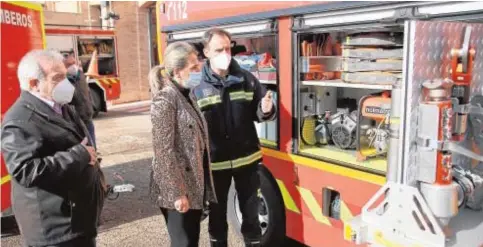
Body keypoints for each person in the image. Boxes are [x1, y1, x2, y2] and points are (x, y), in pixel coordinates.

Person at [1, 50, 105, 247]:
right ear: (34, 83)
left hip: (77, 221)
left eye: (65, 76)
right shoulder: (20, 120)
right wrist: (79, 156)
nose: (66, 83)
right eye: (57, 78)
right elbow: (25, 170)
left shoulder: (61, 105)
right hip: (55, 232)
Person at [193, 28, 276, 247]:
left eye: (228, 48)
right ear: (206, 52)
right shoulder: (197, 87)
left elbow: (259, 112)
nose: (225, 53)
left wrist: (266, 108)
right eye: (219, 49)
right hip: (215, 165)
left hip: (246, 161)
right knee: (217, 216)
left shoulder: (247, 79)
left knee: (251, 213)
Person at [148, 41, 217, 247]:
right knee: (184, 243)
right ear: (178, 72)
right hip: (177, 190)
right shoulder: (165, 99)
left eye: (199, 66)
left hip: (192, 185)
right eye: (193, 68)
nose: (199, 71)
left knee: (190, 241)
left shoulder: (187, 95)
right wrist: (177, 193)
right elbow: (163, 151)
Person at [63, 51, 97, 150]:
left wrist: (92, 106)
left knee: (93, 147)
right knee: (85, 148)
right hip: (77, 122)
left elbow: (87, 92)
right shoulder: (63, 81)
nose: (73, 66)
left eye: (74, 63)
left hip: (87, 117)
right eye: (69, 64)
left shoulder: (80, 75)